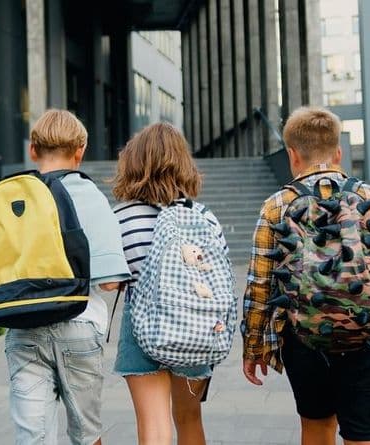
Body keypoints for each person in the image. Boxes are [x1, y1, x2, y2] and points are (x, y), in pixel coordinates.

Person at [240, 107, 370, 445]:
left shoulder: (275, 205)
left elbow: (260, 286)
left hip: (305, 338)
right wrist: (368, 277)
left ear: (293, 156)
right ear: (338, 152)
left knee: (317, 429)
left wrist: (254, 347)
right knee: (369, 435)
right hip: (369, 336)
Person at [1, 109, 131, 445]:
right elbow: (110, 283)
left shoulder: (11, 198)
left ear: (32, 150)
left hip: (22, 326)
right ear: (80, 151)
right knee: (87, 434)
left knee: (33, 436)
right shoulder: (90, 196)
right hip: (78, 324)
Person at [111, 123, 231, 445]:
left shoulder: (122, 218)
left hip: (143, 328)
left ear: (133, 163)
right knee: (190, 419)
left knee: (154, 423)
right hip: (196, 328)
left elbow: (110, 281)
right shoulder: (205, 217)